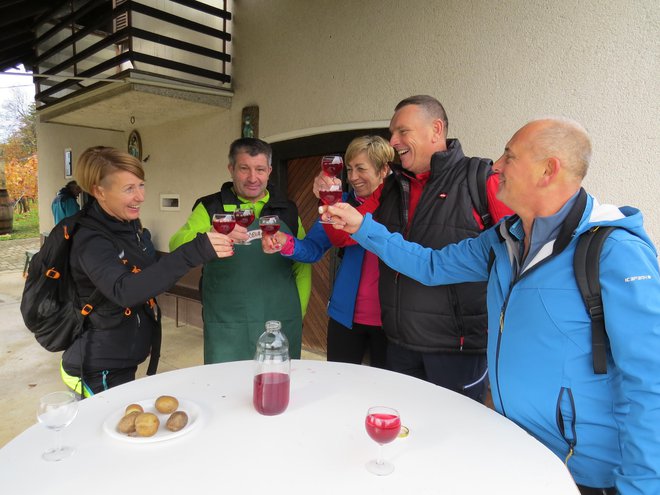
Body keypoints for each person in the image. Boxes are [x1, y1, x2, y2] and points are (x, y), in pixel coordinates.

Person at [323, 118, 660, 495]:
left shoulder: (614, 253)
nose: (496, 165)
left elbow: (650, 379)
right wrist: (363, 228)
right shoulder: (504, 239)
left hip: (584, 475)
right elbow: (431, 265)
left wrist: (643, 485)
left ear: (548, 170)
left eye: (510, 156)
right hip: (515, 451)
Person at [324, 95, 512, 402]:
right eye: (392, 132)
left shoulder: (480, 179)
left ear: (435, 130)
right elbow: (344, 236)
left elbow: (520, 252)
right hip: (399, 344)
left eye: (402, 131)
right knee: (403, 430)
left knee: (453, 436)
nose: (393, 140)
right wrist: (330, 204)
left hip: (457, 350)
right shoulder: (392, 187)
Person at [61, 147, 235, 396]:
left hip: (124, 359)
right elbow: (125, 291)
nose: (141, 196)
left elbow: (148, 278)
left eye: (141, 185)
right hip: (96, 368)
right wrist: (192, 252)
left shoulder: (127, 225)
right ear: (99, 191)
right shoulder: (90, 239)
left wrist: (144, 335)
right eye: (129, 189)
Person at [170, 137, 312, 364]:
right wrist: (212, 233)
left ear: (269, 171)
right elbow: (176, 244)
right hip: (227, 320)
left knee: (275, 384)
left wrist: (298, 312)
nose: (253, 178)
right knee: (225, 386)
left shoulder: (287, 210)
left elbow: (302, 263)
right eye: (244, 168)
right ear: (231, 169)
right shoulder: (210, 207)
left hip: (280, 319)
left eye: (260, 169)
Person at [263, 136, 393, 368]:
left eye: (361, 169)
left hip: (391, 321)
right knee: (339, 387)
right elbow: (312, 250)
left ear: (383, 170)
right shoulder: (340, 205)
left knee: (384, 395)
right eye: (350, 168)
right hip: (345, 318)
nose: (352, 177)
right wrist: (285, 243)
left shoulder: (399, 204)